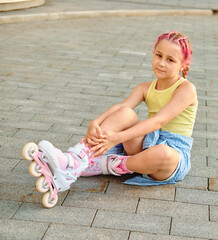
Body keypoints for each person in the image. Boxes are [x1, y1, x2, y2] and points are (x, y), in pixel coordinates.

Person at [25, 31, 198, 200]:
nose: (161, 63)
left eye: (170, 60)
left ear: (183, 65)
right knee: (125, 113)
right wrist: (96, 122)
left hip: (172, 156)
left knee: (164, 154)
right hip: (146, 143)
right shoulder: (145, 87)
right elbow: (121, 106)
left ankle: (104, 165)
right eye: (158, 55)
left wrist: (117, 137)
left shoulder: (186, 89)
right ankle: (75, 160)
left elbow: (158, 121)